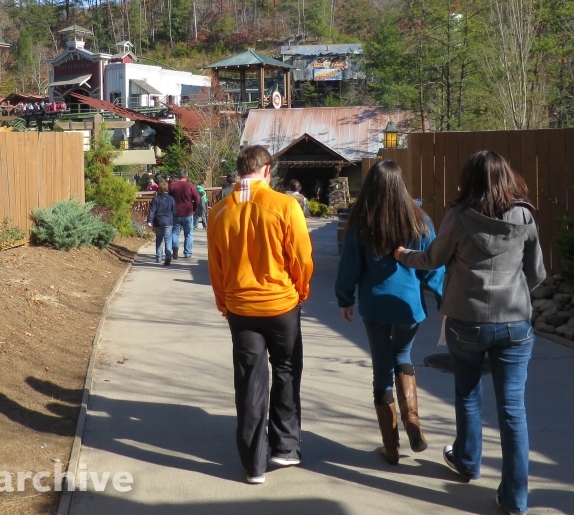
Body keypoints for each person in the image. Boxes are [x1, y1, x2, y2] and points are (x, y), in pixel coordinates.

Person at [395, 151, 545, 515]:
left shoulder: (459, 217)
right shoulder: (524, 216)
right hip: (514, 324)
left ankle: (467, 461)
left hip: (466, 321)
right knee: (513, 411)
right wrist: (514, 293)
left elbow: (431, 259)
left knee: (467, 393)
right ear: (507, 178)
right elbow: (537, 273)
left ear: (470, 180)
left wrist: (402, 255)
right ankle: (515, 499)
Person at [207, 145, 314, 485]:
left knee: (250, 380)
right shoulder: (285, 206)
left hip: (240, 307)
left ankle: (254, 463)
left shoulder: (219, 212)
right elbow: (301, 257)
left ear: (241, 171)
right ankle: (284, 446)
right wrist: (301, 290)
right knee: (285, 370)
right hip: (281, 304)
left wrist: (224, 302)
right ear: (268, 170)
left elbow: (216, 267)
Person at [334, 161, 443, 465]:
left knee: (382, 368)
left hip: (375, 305)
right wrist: (442, 300)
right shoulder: (419, 219)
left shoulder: (361, 220)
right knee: (403, 356)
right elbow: (432, 263)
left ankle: (391, 446)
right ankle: (413, 421)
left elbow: (349, 266)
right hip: (409, 306)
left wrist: (345, 299)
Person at [169, 169, 200, 259]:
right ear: (186, 176)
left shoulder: (172, 186)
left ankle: (175, 248)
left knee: (175, 233)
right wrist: (193, 208)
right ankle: (188, 253)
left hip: (176, 213)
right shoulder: (190, 186)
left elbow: (169, 199)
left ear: (179, 176)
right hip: (188, 212)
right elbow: (197, 199)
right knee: (188, 233)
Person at [146, 180, 177, 265]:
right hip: (168, 221)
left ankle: (159, 257)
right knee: (168, 239)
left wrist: (149, 220)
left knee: (159, 239)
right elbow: (174, 211)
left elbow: (152, 210)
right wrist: (171, 216)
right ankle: (168, 256)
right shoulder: (171, 199)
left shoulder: (156, 198)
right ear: (167, 188)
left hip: (158, 221)